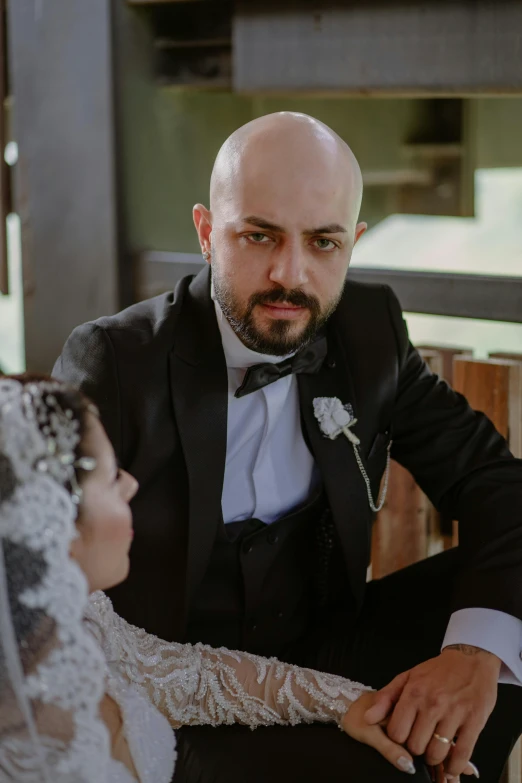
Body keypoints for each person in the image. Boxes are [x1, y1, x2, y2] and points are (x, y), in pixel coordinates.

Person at [53, 112, 522, 783]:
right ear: (208, 233)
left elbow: (493, 479)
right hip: (179, 703)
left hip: (331, 649)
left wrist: (473, 655)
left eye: (323, 243)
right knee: (396, 770)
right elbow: (53, 594)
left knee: (503, 622)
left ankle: (458, 751)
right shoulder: (116, 361)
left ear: (354, 242)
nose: (289, 274)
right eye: (259, 235)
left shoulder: (369, 330)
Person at [1, 374, 452, 782]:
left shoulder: (79, 617)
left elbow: (192, 677)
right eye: (112, 476)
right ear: (51, 521)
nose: (133, 485)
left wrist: (349, 702)